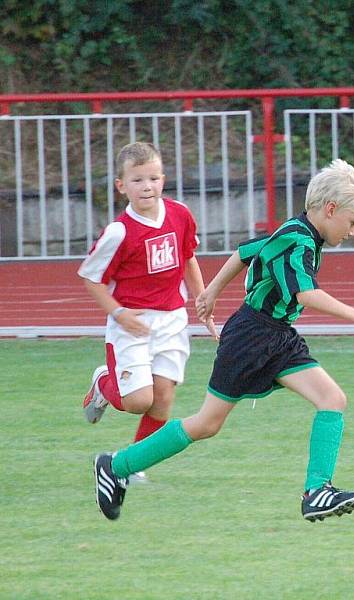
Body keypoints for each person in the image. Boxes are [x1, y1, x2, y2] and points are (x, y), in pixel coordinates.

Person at [93, 158, 354, 522]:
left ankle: (317, 491)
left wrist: (211, 293)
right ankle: (117, 464)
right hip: (251, 338)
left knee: (332, 398)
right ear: (330, 209)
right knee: (207, 423)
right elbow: (306, 294)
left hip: (278, 337)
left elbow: (244, 253)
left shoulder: (299, 233)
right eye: (352, 223)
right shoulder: (296, 240)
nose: (352, 231)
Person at [80, 142, 216, 484]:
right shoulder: (119, 232)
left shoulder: (180, 214)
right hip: (133, 324)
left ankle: (132, 462)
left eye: (153, 178)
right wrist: (119, 313)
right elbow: (92, 279)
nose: (147, 186)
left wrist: (204, 300)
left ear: (163, 180)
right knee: (139, 400)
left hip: (172, 321)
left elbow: (188, 259)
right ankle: (102, 383)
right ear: (121, 185)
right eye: (138, 180)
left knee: (164, 397)